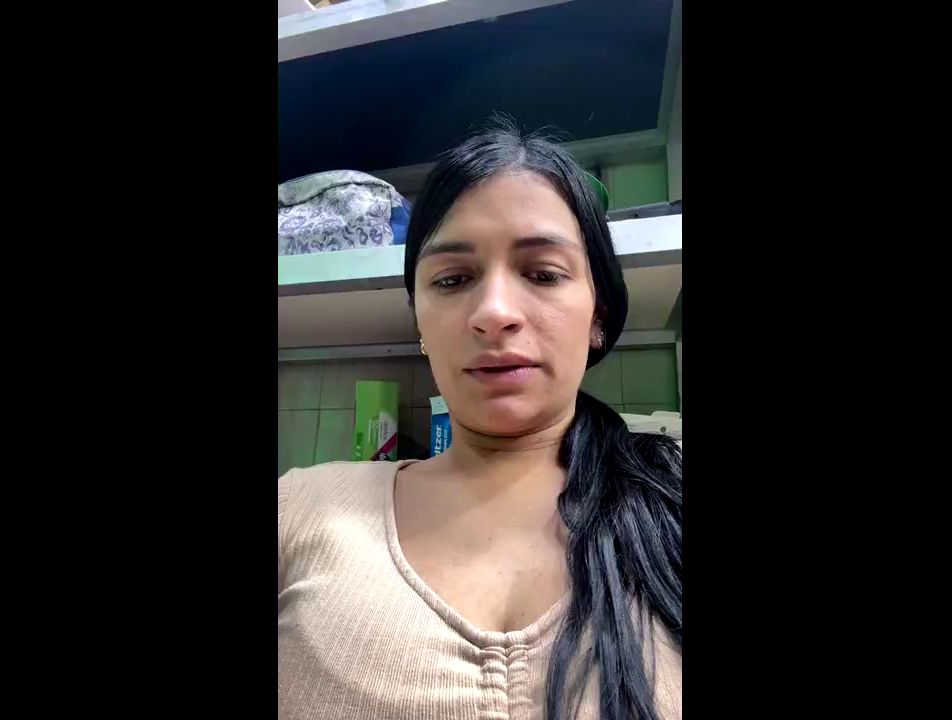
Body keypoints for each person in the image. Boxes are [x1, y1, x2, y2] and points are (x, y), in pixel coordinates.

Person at [278, 119, 682, 720]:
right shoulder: (300, 508)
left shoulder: (670, 498)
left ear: (598, 313)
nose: (493, 313)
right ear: (419, 319)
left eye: (543, 274)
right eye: (453, 279)